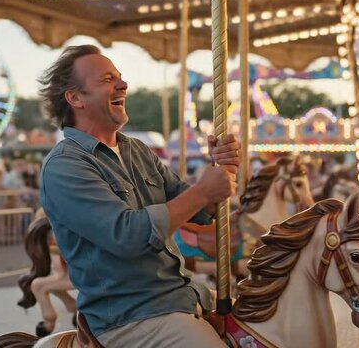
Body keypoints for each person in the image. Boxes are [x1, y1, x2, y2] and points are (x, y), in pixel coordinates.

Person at [39, 45, 241, 347]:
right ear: (76, 98)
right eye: (107, 79)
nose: (122, 84)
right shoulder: (66, 165)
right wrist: (202, 191)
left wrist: (221, 171)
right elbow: (127, 235)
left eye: (119, 77)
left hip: (182, 295)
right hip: (132, 314)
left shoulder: (136, 151)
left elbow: (200, 209)